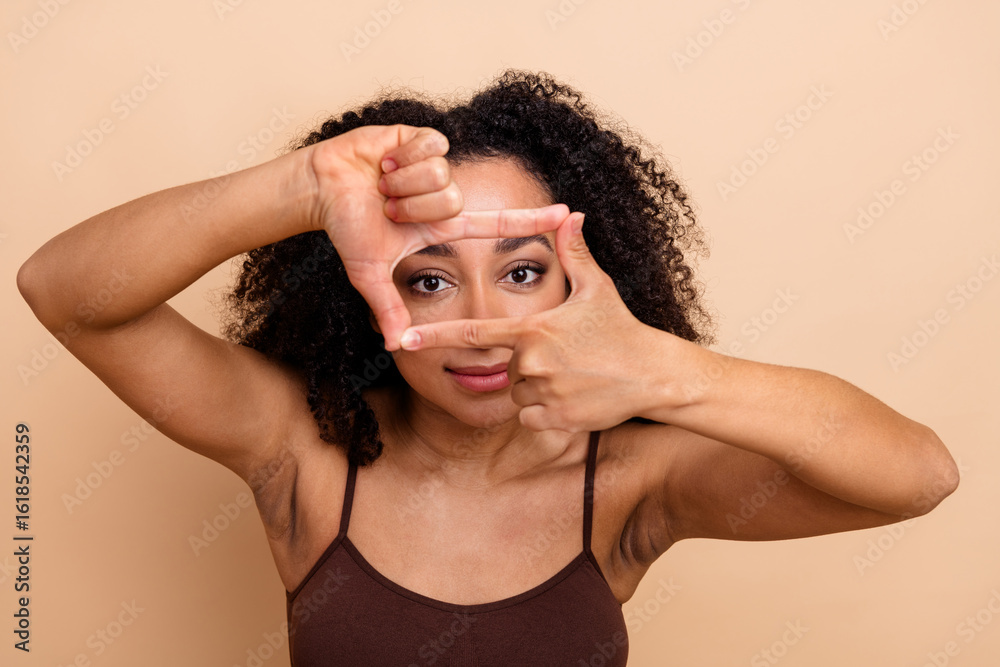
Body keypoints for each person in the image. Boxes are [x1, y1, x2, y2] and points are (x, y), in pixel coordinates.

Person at [18, 70, 959, 666]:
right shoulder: (299, 448)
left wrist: (660, 369)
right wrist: (301, 188)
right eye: (427, 279)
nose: (480, 323)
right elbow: (64, 290)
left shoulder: (633, 482)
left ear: (583, 281)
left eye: (520, 271)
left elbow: (919, 474)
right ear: (366, 295)